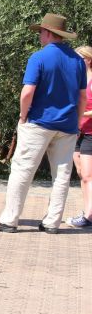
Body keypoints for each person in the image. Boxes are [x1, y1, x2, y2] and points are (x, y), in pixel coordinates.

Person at [0, 13, 86, 234]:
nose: (39, 35)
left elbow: (27, 92)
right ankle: (52, 222)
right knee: (61, 175)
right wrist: (76, 122)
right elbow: (82, 97)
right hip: (67, 125)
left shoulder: (38, 58)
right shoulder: (78, 61)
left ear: (49, 33)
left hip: (39, 122)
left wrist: (23, 115)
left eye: (41, 31)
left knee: (22, 169)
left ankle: (9, 220)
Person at [67, 45, 92, 228]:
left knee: (88, 176)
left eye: (79, 57)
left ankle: (89, 217)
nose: (75, 61)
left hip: (90, 132)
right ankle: (87, 212)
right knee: (82, 174)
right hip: (77, 131)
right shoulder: (76, 79)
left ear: (88, 59)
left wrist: (82, 113)